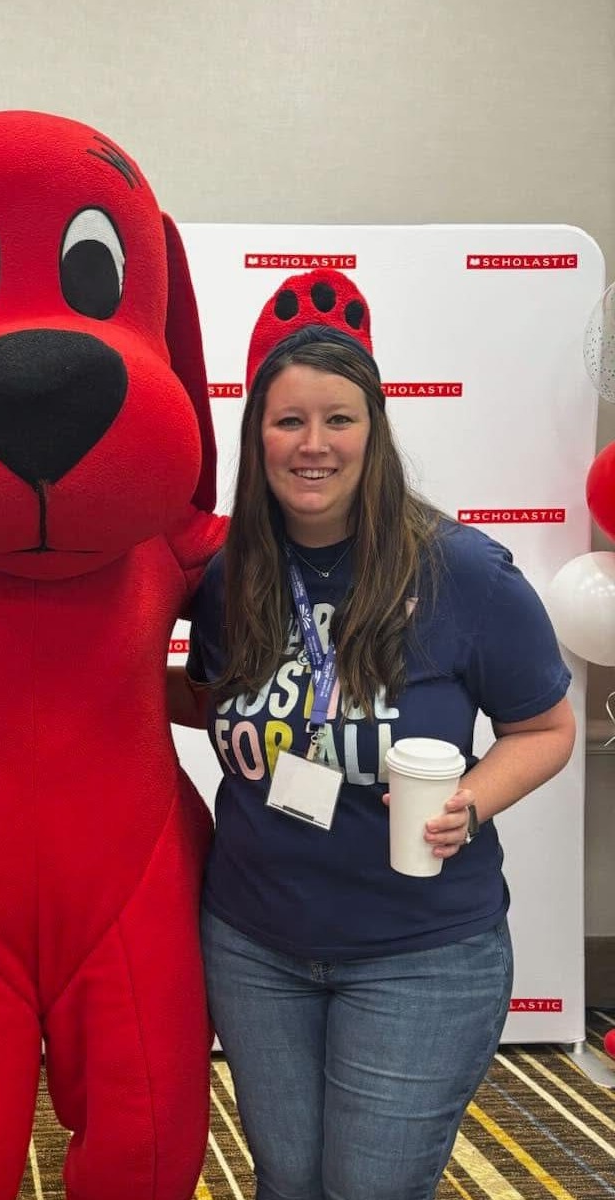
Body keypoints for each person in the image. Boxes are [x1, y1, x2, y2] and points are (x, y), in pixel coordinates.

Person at [169, 270, 575, 1200]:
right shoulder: (234, 573)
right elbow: (224, 698)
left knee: (368, 1187)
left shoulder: (462, 571)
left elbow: (546, 727)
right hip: (254, 942)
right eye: (288, 421)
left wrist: (472, 797)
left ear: (375, 431)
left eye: (339, 419)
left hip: (421, 953)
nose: (313, 444)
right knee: (289, 1181)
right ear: (256, 437)